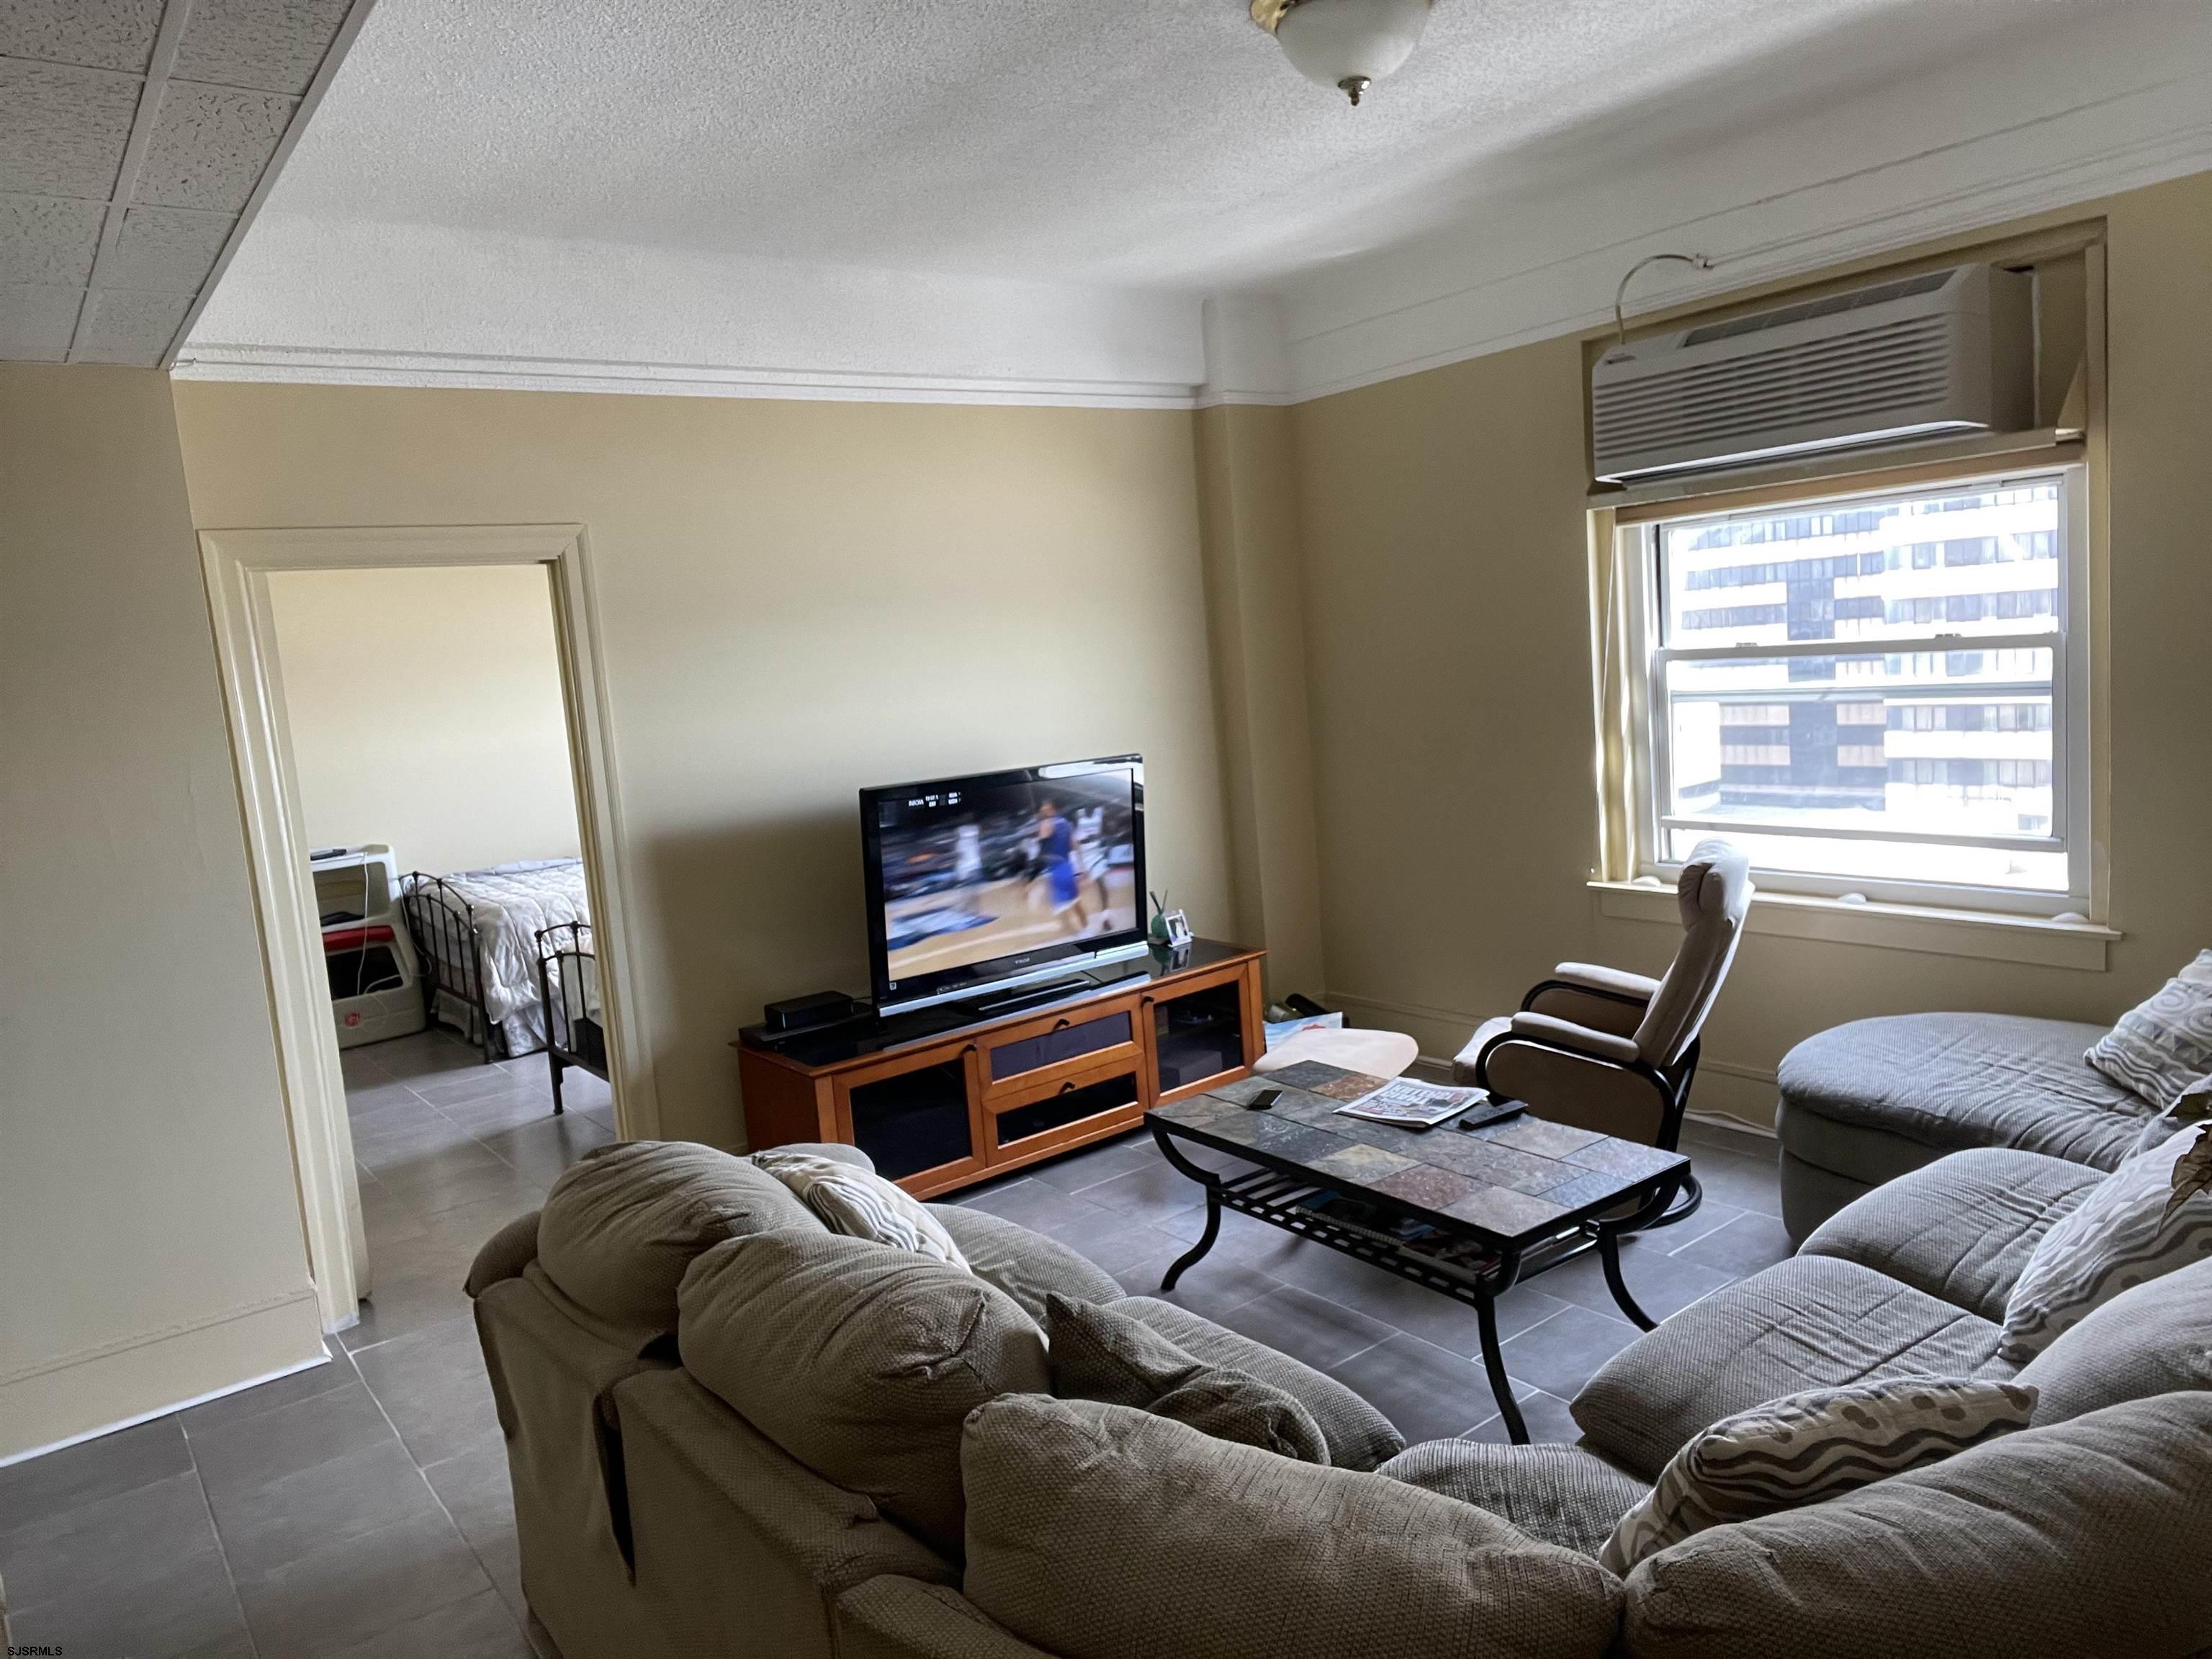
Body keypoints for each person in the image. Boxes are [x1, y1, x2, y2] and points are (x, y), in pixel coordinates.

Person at [1031, 799, 1087, 935]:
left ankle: (1076, 935)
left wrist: (1033, 876)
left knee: (1060, 907)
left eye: (1044, 809)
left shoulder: (1046, 824)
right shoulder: (1066, 824)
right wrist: (1082, 866)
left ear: (1050, 809)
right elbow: (1076, 846)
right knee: (1075, 902)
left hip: (1055, 869)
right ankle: (1086, 930)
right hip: (1067, 866)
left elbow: (1041, 850)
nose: (1041, 811)